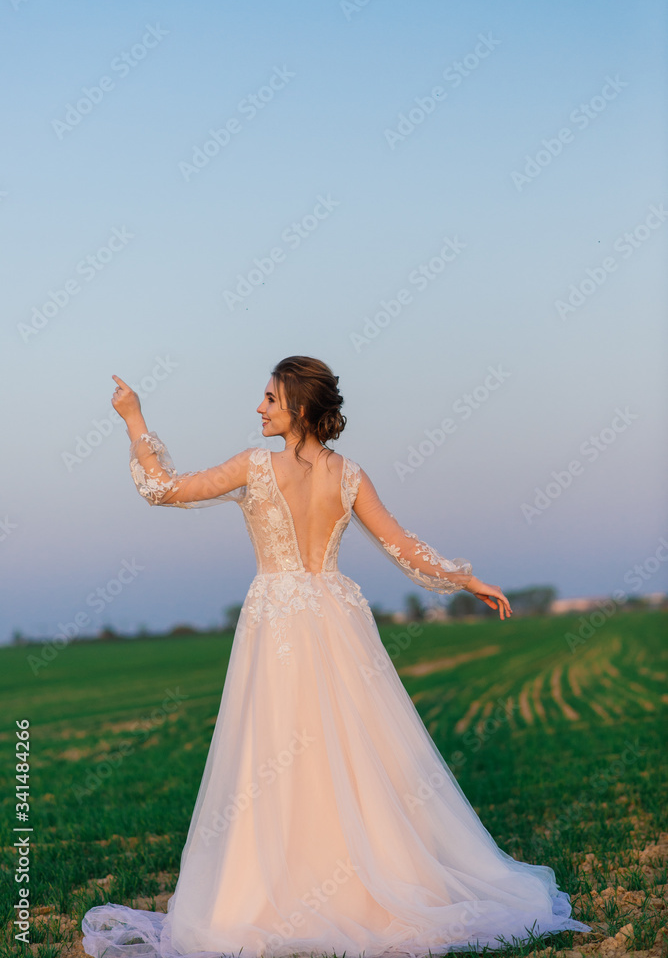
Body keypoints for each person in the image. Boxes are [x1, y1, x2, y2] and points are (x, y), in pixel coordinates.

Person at [81, 356, 590, 958]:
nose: (259, 408)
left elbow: (162, 489)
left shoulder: (255, 467)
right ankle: (358, 886)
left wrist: (134, 418)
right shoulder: (349, 475)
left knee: (275, 751)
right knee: (350, 747)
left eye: (269, 398)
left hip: (276, 621)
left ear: (297, 408)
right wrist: (465, 579)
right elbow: (402, 545)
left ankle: (283, 892)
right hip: (335, 617)